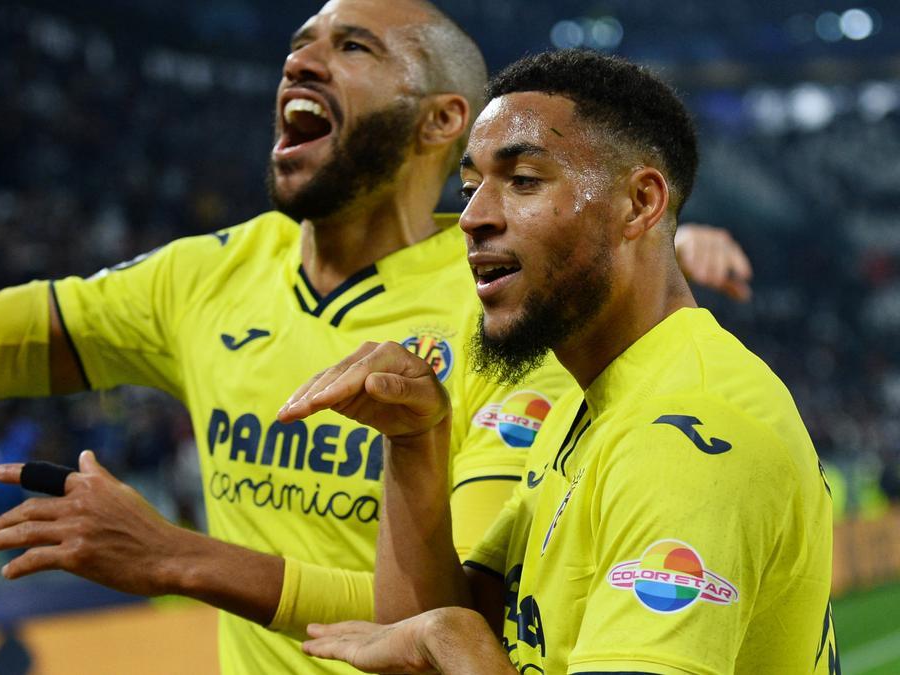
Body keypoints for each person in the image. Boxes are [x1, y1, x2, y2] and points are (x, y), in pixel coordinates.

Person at [0, 4, 751, 673]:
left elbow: (479, 611)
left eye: (354, 46)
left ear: (444, 122)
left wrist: (180, 558)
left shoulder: (506, 307)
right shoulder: (203, 277)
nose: (303, 56)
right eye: (301, 41)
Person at [284, 50, 837, 674]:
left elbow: (446, 642)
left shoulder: (686, 436)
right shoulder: (585, 406)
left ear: (638, 204)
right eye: (469, 189)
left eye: (522, 180)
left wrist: (454, 643)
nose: (472, 218)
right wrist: (415, 444)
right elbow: (433, 624)